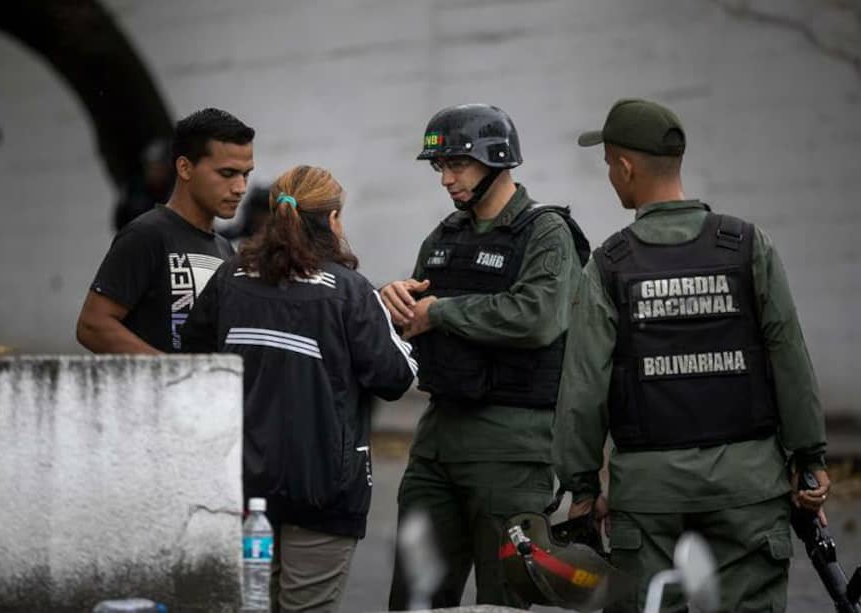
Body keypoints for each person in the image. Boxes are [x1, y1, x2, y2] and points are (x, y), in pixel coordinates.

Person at [555, 98, 830, 612]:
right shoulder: (748, 247)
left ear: (626, 167)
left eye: (609, 164)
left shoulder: (610, 264)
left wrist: (583, 489)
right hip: (749, 490)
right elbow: (790, 357)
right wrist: (809, 460)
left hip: (651, 500)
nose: (610, 176)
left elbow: (582, 391)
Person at [181, 165, 417, 612]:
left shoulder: (230, 279)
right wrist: (396, 323)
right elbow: (395, 378)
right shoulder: (350, 292)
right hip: (324, 491)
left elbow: (196, 360)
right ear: (331, 222)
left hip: (241, 489)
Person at [381, 103, 587, 609]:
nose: (446, 179)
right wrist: (398, 302)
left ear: (497, 160)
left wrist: (439, 313)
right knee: (414, 600)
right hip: (436, 446)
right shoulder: (444, 237)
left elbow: (538, 315)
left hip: (511, 454)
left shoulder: (545, 233)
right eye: (440, 167)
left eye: (457, 165)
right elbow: (417, 323)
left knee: (500, 601)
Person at [76, 108, 254, 354]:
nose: (240, 188)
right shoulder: (146, 234)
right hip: (158, 392)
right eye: (227, 173)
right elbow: (93, 326)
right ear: (185, 168)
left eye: (246, 175)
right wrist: (173, 373)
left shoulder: (224, 248)